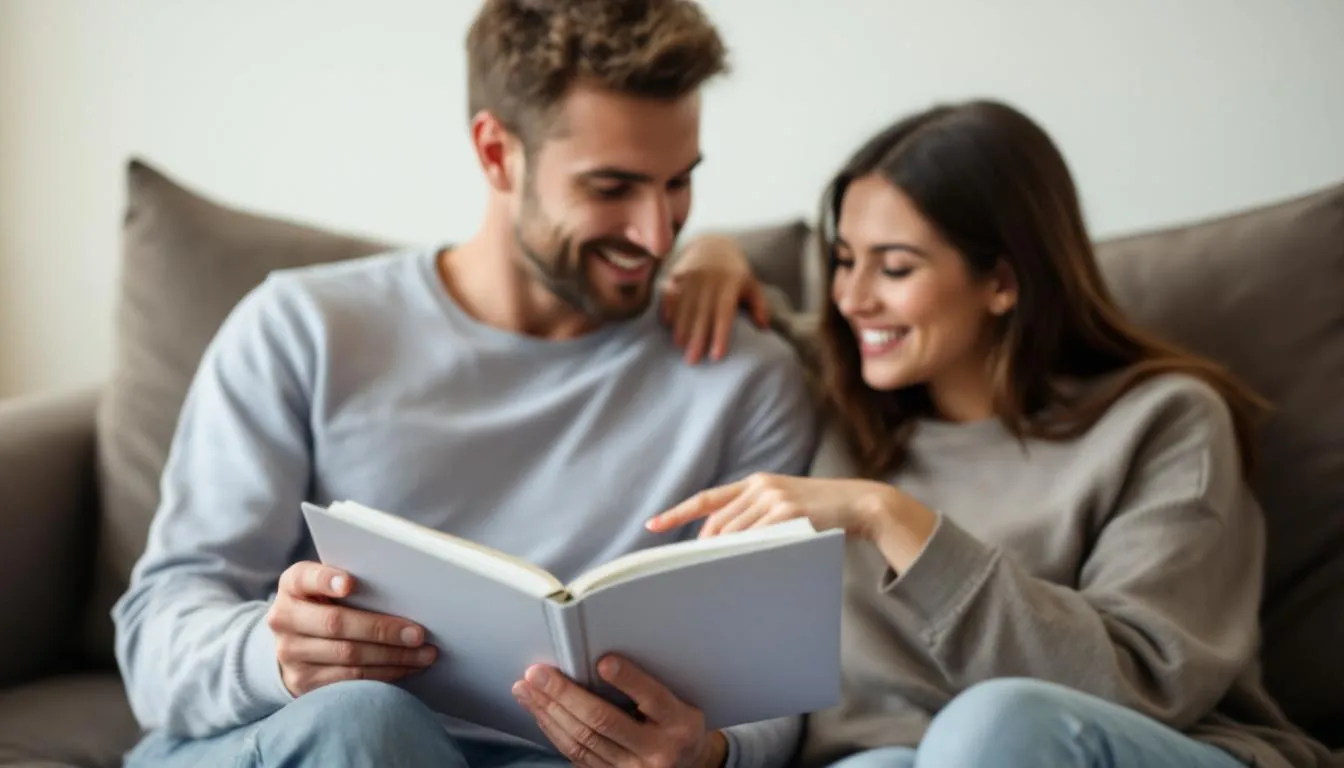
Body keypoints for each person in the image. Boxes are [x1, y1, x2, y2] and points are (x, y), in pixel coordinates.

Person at [111, 2, 816, 766]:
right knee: (364, 725)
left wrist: (708, 753)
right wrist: (272, 654)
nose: (656, 233)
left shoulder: (743, 376)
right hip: (322, 744)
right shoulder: (302, 328)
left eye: (678, 183)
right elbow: (158, 632)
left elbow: (774, 689)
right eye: (611, 188)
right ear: (495, 152)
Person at [650, 100, 1337, 767]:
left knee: (991, 727)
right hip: (904, 755)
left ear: (1002, 281)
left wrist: (891, 518)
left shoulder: (1166, 422)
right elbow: (739, 296)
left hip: (1133, 744)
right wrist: (710, 252)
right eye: (844, 259)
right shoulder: (836, 389)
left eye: (894, 268)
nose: (853, 298)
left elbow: (1141, 686)